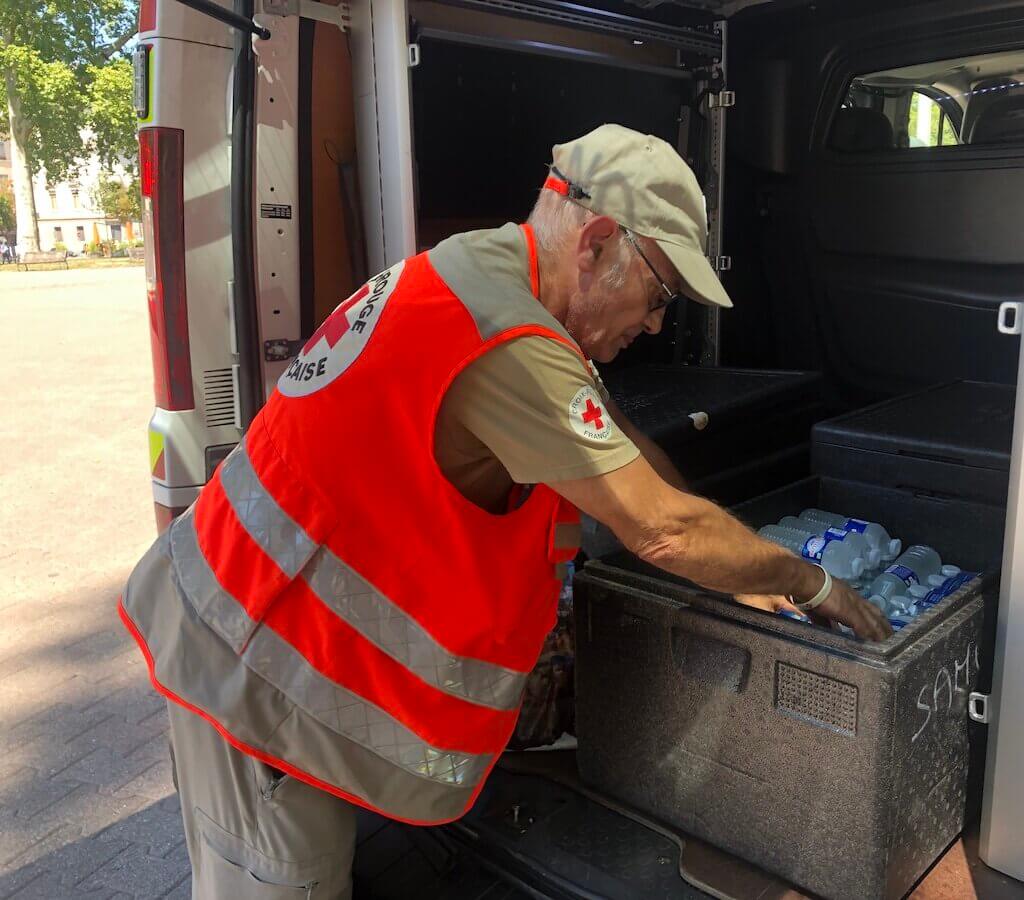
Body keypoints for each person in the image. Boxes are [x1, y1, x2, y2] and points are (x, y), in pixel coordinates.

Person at [118, 124, 891, 899]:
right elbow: (663, 528)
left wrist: (731, 560)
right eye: (658, 295)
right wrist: (805, 581)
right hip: (255, 673)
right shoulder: (505, 334)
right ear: (595, 243)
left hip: (278, 646)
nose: (657, 323)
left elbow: (615, 437)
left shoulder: (491, 273)